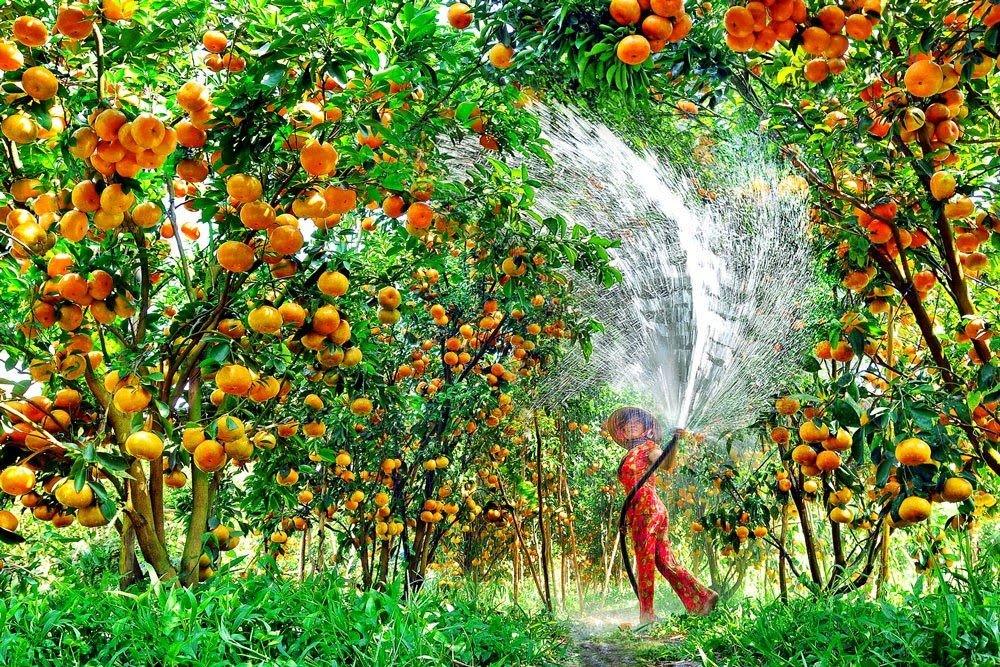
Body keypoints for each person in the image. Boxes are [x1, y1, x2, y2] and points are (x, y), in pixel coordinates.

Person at [606, 406, 717, 623]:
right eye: (626, 424)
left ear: (646, 429)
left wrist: (673, 442)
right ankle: (703, 598)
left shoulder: (649, 448)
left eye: (636, 423)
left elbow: (666, 463)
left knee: (645, 562)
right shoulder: (630, 453)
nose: (630, 426)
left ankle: (646, 616)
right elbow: (630, 490)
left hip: (647, 511)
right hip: (644, 511)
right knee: (665, 562)